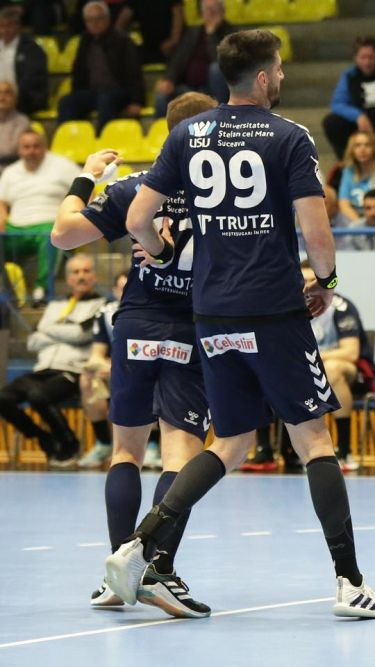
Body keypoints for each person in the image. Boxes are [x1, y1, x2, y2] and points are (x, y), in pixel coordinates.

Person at [107, 29, 375, 619]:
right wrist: (328, 283)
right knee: (314, 440)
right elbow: (317, 231)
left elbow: (138, 215)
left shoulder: (187, 134)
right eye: (280, 70)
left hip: (211, 312)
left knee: (232, 443)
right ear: (262, 78)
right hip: (272, 307)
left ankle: (140, 545)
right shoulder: (289, 137)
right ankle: (349, 583)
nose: (283, 78)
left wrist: (157, 254)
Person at [50, 92, 221, 617]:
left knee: (125, 452)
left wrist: (86, 176)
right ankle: (158, 569)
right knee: (180, 454)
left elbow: (62, 234)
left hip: (137, 325)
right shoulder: (227, 195)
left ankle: (116, 571)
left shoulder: (135, 189)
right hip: (192, 330)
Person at [244, 265, 375, 474]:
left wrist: (309, 359)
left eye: (310, 281)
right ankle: (266, 450)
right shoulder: (282, 307)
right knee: (263, 370)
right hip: (298, 370)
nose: (306, 288)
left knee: (332, 370)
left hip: (341, 369)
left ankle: (344, 451)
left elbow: (350, 352)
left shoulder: (340, 306)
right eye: (301, 282)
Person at [0, 253, 105, 466]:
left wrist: (46, 330)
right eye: (76, 272)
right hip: (42, 369)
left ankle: (69, 444)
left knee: (38, 396)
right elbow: (32, 341)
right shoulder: (54, 306)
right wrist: (62, 331)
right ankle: (42, 437)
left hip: (73, 371)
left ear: (94, 276)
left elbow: (81, 335)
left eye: (86, 271)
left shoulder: (101, 306)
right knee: (3, 398)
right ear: (68, 279)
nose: (81, 276)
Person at [0, 128, 80, 305]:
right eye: (26, 147)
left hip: (49, 226)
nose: (31, 151)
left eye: (36, 146)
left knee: (50, 234)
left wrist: (79, 215)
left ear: (45, 146)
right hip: (16, 229)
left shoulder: (63, 166)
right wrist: (2, 219)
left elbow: (88, 188)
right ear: (19, 150)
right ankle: (6, 289)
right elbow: (2, 203)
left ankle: (41, 290)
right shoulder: (10, 172)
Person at [57, 1, 145, 133]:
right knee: (67, 102)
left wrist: (136, 101)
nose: (95, 23)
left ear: (108, 19)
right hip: (93, 93)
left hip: (119, 91)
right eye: (90, 20)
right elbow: (78, 72)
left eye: (99, 18)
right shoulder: (85, 41)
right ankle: (69, 138)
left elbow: (134, 72)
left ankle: (102, 141)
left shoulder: (122, 40)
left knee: (106, 100)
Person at [76, 270, 127, 469]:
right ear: (114, 291)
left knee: (152, 378)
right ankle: (104, 443)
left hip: (147, 369)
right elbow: (96, 355)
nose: (126, 293)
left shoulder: (153, 311)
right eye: (122, 289)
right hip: (116, 370)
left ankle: (153, 444)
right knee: (87, 377)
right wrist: (109, 366)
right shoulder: (106, 314)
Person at [152, 0, 233, 117]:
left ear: (222, 11)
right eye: (207, 10)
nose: (210, 14)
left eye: (214, 10)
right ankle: (160, 132)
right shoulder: (193, 32)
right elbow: (178, 57)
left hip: (212, 91)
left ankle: (221, 116)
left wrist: (211, 35)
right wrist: (169, 79)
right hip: (188, 88)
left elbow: (220, 62)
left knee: (215, 68)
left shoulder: (230, 33)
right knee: (162, 95)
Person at [337, 130, 375, 223]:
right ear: (352, 150)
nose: (362, 149)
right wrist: (359, 225)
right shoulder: (348, 171)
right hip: (354, 219)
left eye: (367, 145)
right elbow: (344, 204)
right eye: (357, 145)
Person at [0, 7, 48, 116]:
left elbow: (32, 79)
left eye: (9, 25)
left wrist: (10, 94)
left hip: (25, 96)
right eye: (2, 26)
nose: (5, 30)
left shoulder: (32, 49)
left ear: (18, 27)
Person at [115, 0, 184, 65]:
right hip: (147, 47)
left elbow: (178, 12)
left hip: (170, 48)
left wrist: (173, 40)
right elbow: (124, 17)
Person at [0, 80, 31, 169]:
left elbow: (12, 150)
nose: (2, 97)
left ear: (15, 98)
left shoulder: (22, 121)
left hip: (10, 168)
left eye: (7, 93)